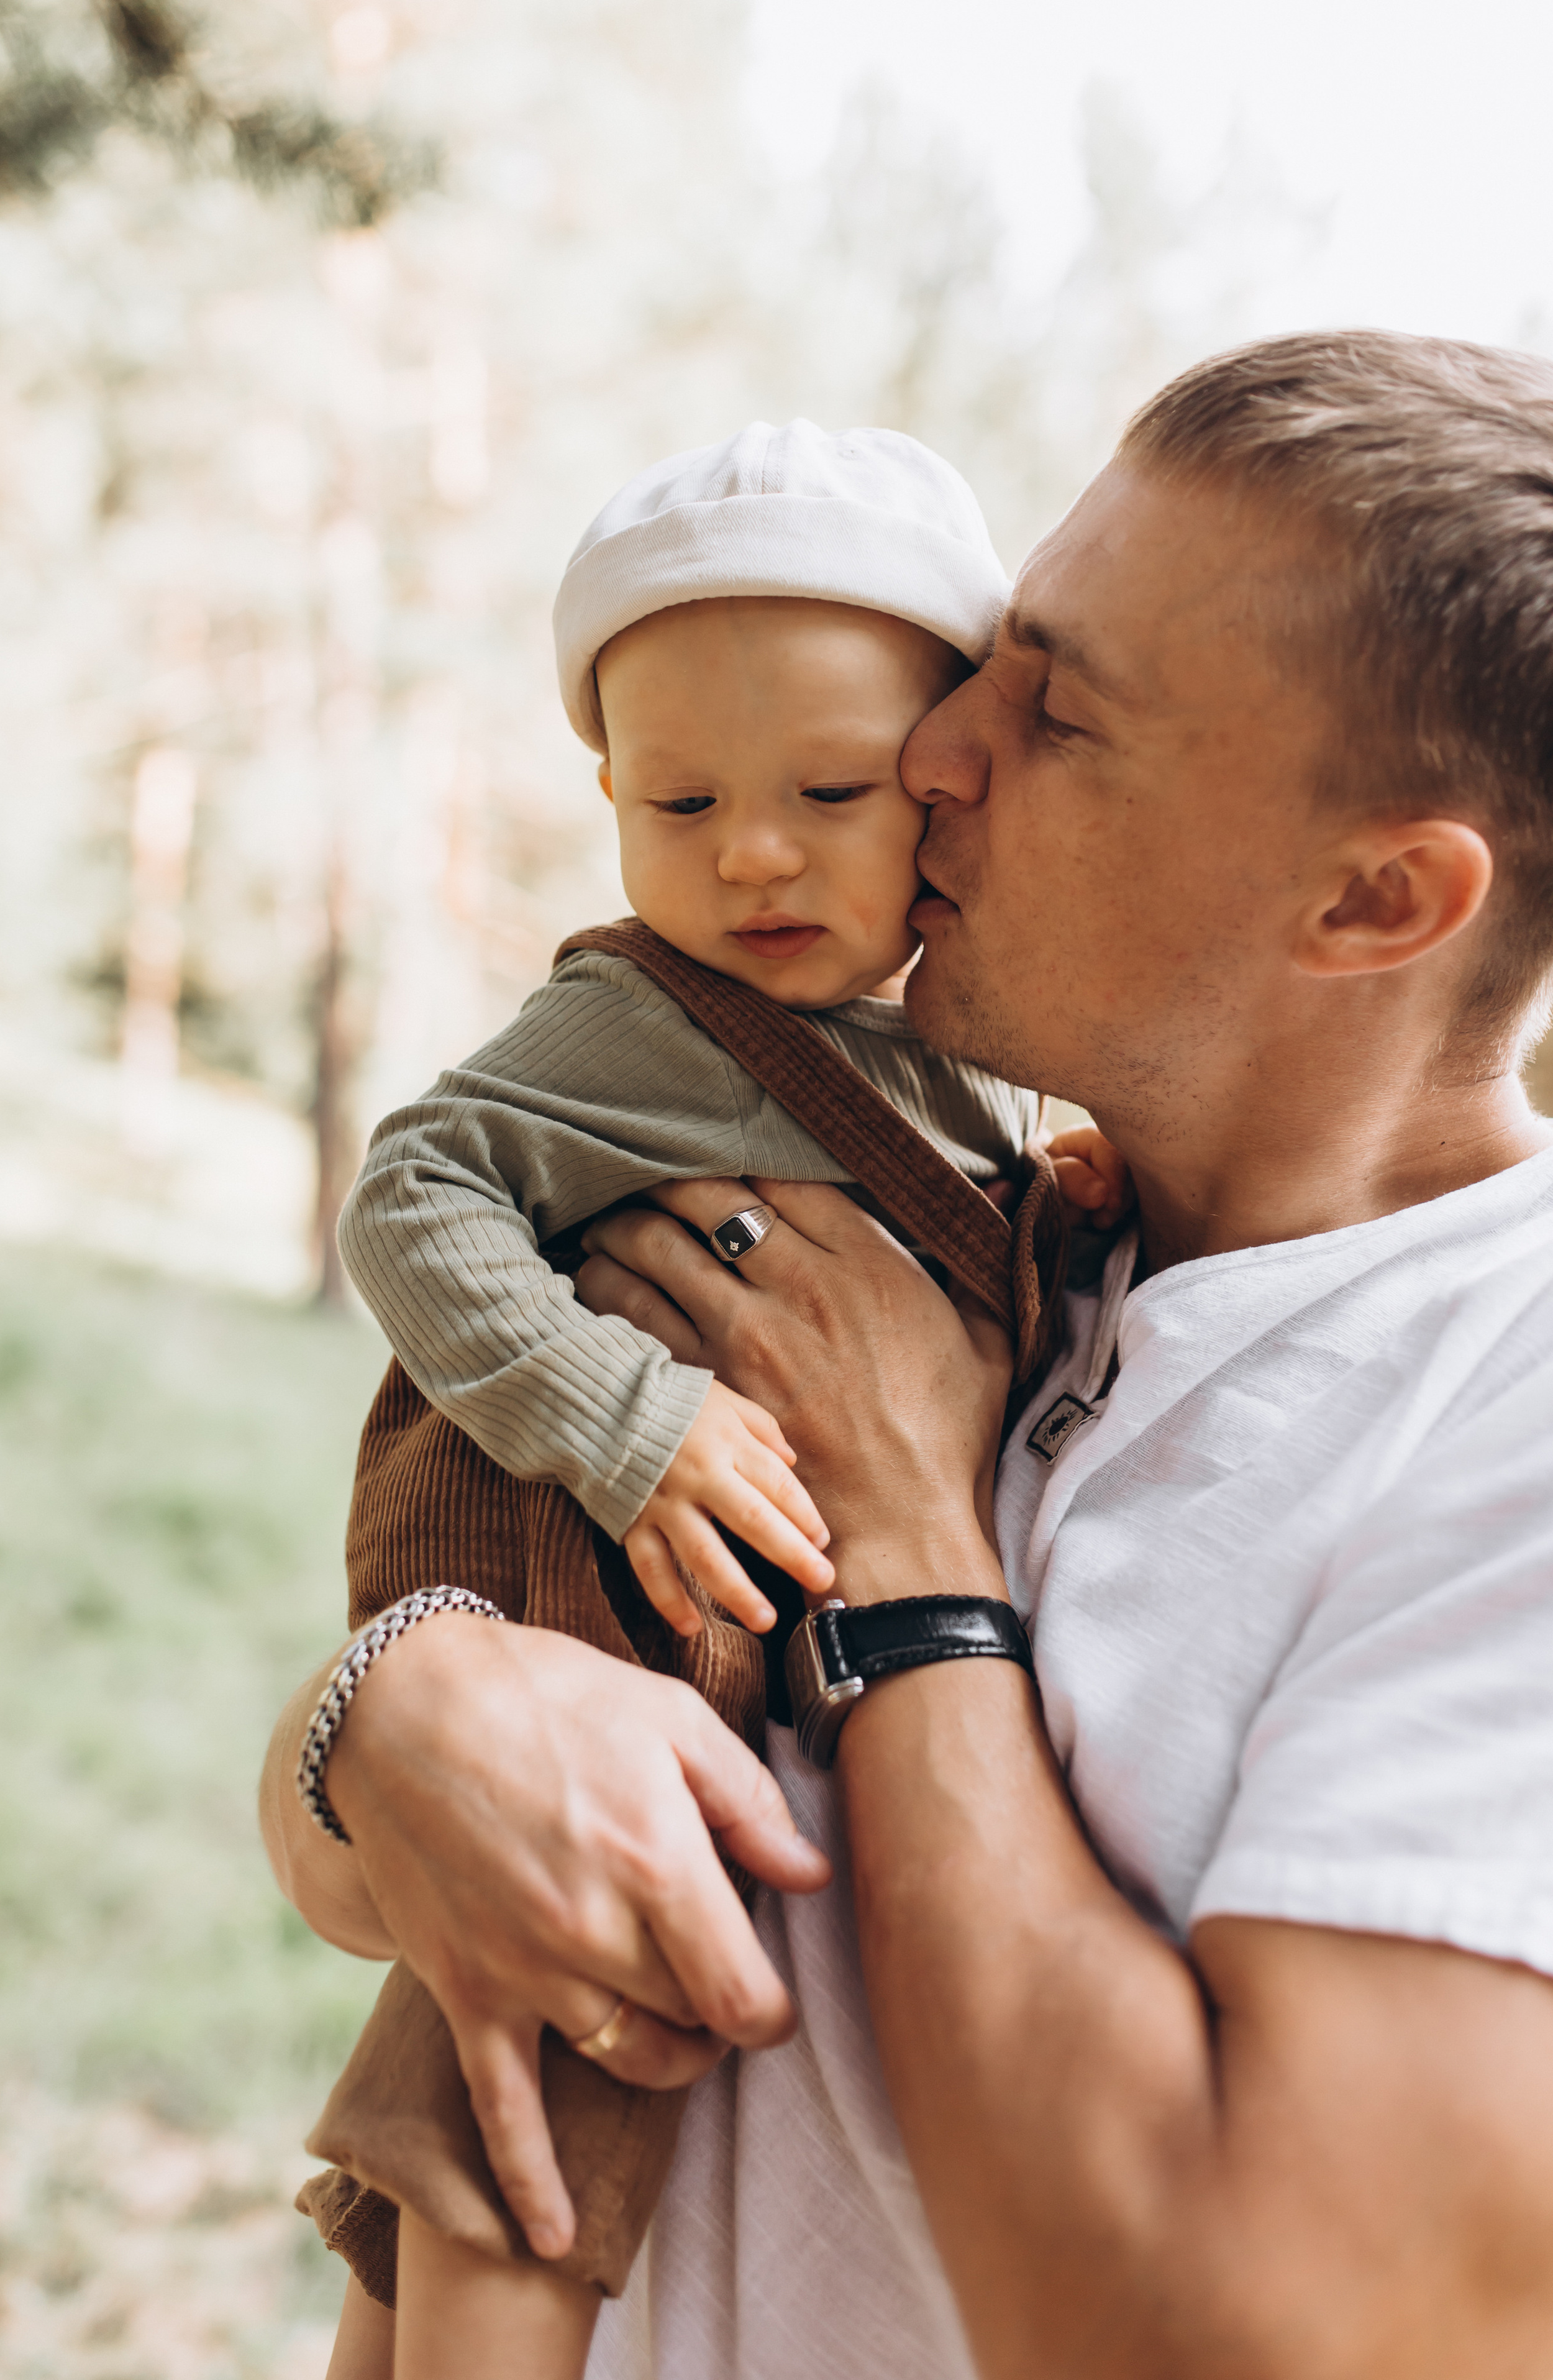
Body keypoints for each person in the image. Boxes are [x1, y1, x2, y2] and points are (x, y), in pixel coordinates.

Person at [263, 329, 1553, 2380]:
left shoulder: (1503, 1407)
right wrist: (392, 1717)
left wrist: (905, 1535)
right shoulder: (989, 1228)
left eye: (1065, 711)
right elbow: (364, 1871)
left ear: (1379, 897)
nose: (944, 744)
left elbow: (1244, 2327)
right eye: (996, 655)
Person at [286, 419, 1123, 2378]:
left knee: (532, 2065)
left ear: (945, 776)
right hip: (601, 1601)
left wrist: (1060, 1216)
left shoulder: (960, 1053)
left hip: (767, 1654)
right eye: (676, 803)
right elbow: (414, 1188)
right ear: (605, 794)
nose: (750, 853)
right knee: (551, 2074)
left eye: (829, 790)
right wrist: (614, 1410)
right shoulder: (631, 1022)